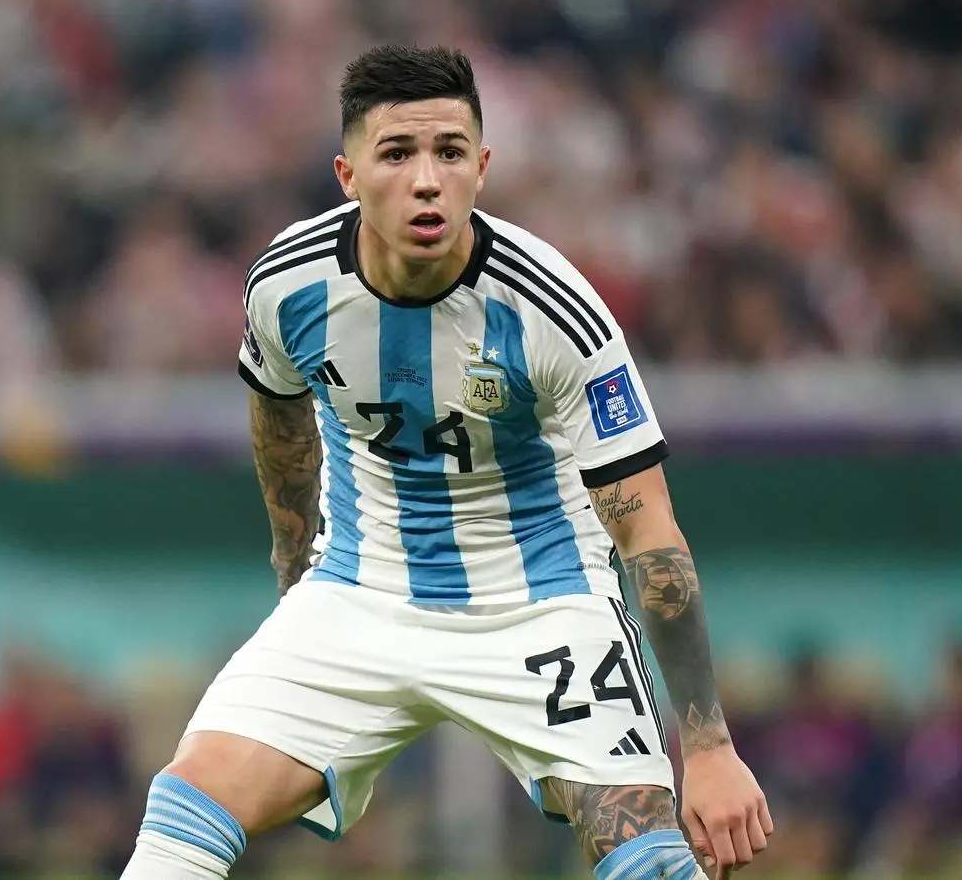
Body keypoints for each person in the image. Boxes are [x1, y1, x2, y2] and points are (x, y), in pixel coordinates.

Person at [120, 44, 771, 880]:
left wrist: (708, 746)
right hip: (360, 587)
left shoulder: (553, 311)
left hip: (542, 600)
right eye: (397, 154)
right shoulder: (288, 285)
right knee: (182, 807)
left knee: (643, 855)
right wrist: (296, 582)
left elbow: (650, 531)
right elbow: (279, 420)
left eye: (449, 153)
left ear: (482, 167)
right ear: (348, 173)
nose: (426, 179)